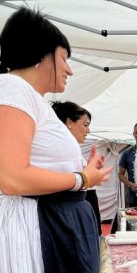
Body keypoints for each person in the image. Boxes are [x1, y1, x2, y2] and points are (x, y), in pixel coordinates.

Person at [0, 8, 112, 273]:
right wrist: (82, 180)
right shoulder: (9, 88)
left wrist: (84, 173)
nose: (70, 69)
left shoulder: (30, 98)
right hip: (34, 226)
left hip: (54, 223)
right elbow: (13, 176)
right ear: (43, 54)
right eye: (65, 58)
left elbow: (39, 164)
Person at [51, 100, 103, 234]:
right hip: (67, 213)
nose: (88, 130)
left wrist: (89, 170)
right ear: (69, 122)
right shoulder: (60, 148)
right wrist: (86, 176)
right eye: (85, 125)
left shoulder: (69, 148)